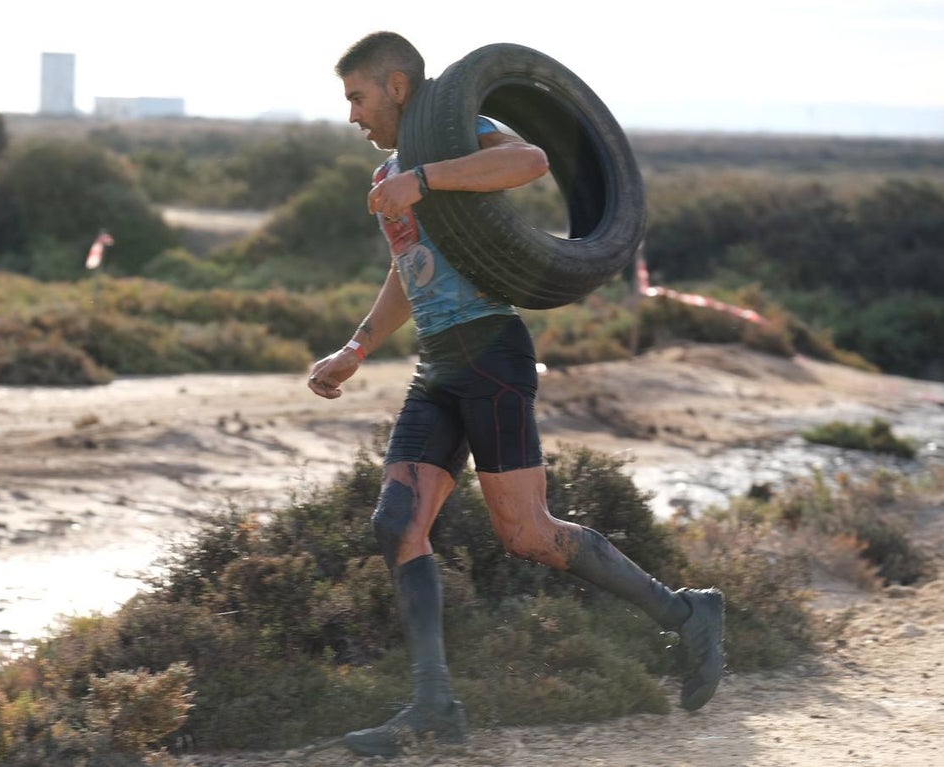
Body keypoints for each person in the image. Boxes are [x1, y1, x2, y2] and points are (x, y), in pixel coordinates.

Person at [308, 30, 724, 758]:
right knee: (397, 522)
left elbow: (529, 161)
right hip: (438, 365)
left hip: (493, 356)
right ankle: (434, 705)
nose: (352, 115)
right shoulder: (387, 174)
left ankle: (686, 612)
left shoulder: (457, 135)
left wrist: (425, 180)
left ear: (397, 87)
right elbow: (408, 268)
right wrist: (355, 348)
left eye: (358, 97)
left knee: (528, 533)